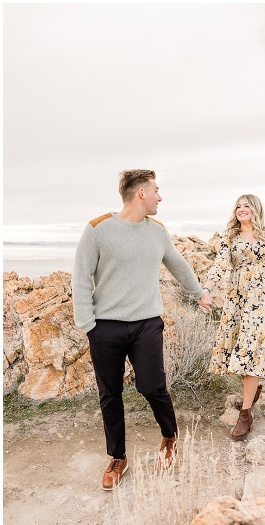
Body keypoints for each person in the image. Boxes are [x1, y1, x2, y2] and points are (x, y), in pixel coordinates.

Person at [72, 169, 213, 491]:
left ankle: (169, 437)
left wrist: (200, 293)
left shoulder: (158, 231)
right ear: (140, 193)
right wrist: (88, 325)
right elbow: (80, 276)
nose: (160, 197)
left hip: (147, 323)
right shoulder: (97, 230)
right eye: (156, 191)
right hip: (105, 326)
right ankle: (117, 457)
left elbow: (177, 264)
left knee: (153, 386)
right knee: (110, 393)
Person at [203, 194, 265, 441]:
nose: (241, 209)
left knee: (253, 350)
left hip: (263, 298)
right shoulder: (230, 236)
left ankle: (245, 414)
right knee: (239, 351)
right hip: (238, 299)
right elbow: (220, 264)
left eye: (246, 205)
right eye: (238, 206)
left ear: (256, 209)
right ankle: (253, 388)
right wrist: (206, 288)